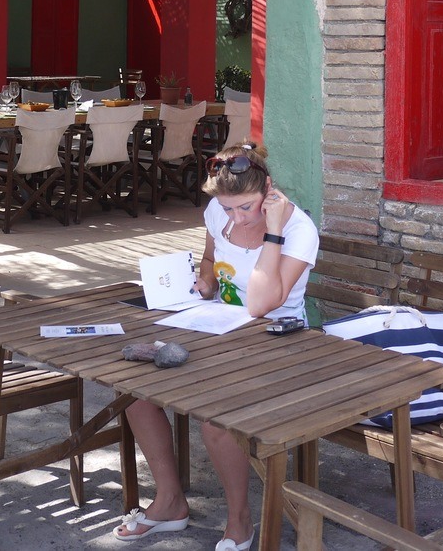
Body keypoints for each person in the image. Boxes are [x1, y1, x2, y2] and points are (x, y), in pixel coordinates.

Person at [114, 142, 320, 551]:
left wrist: (273, 229)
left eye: (246, 207)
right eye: (228, 209)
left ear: (269, 190)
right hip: (218, 328)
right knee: (134, 393)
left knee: (216, 419)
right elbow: (209, 261)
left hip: (278, 341)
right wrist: (205, 282)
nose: (237, 218)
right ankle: (170, 501)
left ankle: (240, 520)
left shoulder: (298, 230)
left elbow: (261, 305)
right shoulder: (217, 213)